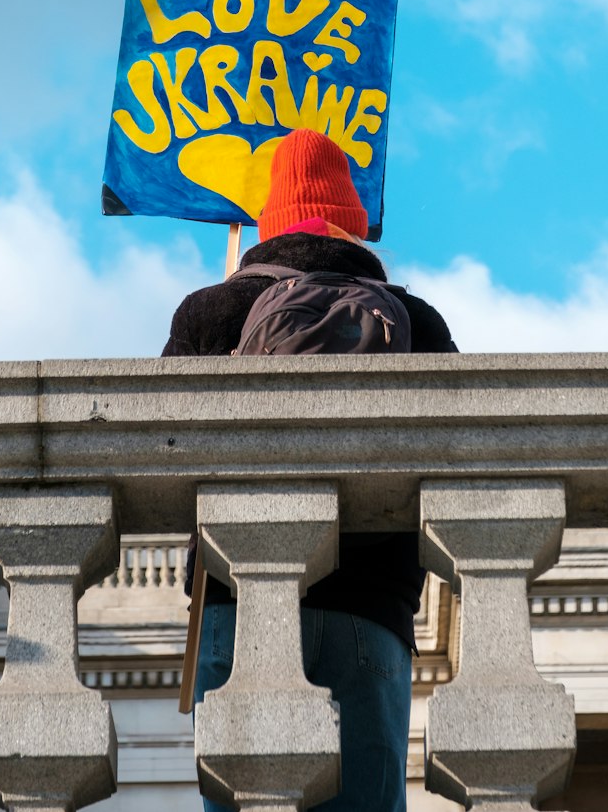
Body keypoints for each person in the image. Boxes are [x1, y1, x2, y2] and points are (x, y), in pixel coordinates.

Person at [162, 127, 457, 812]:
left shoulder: (213, 309)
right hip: (370, 614)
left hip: (238, 605)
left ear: (269, 221)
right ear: (354, 224)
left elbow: (165, 456)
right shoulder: (415, 319)